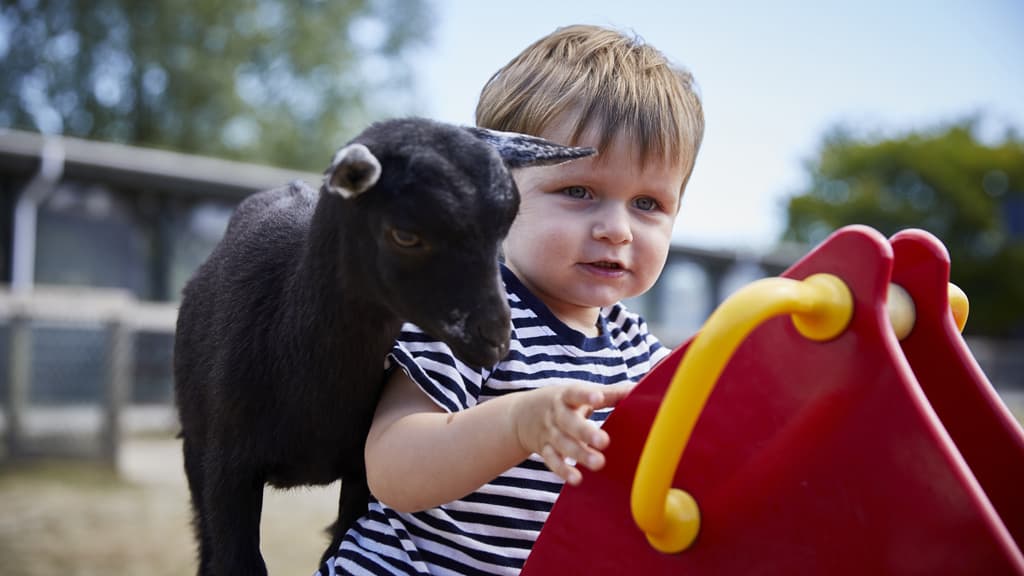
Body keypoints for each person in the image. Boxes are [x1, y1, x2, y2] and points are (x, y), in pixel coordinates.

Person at [317, 23, 704, 575]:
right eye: (578, 192)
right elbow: (394, 469)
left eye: (648, 203)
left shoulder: (636, 349)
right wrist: (519, 424)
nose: (617, 229)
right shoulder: (466, 314)